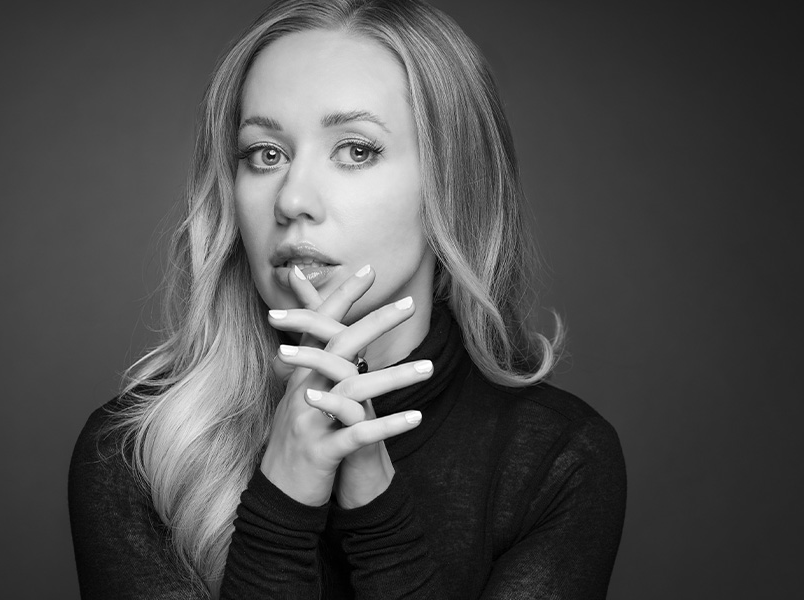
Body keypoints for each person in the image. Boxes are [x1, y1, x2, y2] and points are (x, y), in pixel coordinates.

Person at [68, 0, 627, 598]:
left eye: (356, 150)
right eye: (266, 154)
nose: (292, 199)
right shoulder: (139, 451)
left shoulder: (556, 458)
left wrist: (377, 511)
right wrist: (281, 500)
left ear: (454, 182)